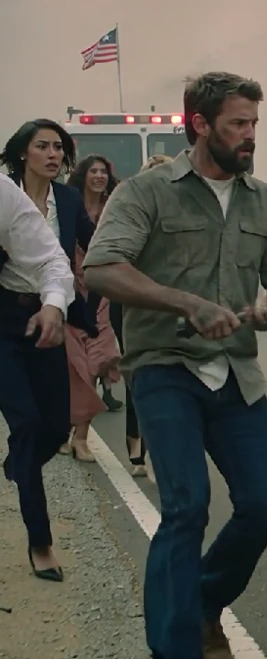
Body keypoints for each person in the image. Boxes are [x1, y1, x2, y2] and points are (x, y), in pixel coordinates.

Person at [82, 71, 267, 659]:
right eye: (238, 124)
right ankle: (174, 646)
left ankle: (203, 601)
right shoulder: (146, 193)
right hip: (164, 368)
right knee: (186, 507)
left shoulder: (265, 200)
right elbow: (100, 268)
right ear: (199, 124)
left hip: (237, 374)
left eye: (254, 123)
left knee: (265, 507)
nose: (251, 135)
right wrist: (188, 304)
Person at [1, 120, 100, 463]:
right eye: (42, 146)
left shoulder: (68, 198)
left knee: (57, 423)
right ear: (23, 153)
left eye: (58, 147)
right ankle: (25, 469)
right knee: (25, 416)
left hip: (53, 311)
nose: (52, 154)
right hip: (6, 310)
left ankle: (23, 462)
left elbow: (94, 245)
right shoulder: (6, 193)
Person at [0, 173, 75, 582]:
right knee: (26, 424)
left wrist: (54, 304)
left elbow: (51, 259)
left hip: (32, 317)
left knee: (56, 428)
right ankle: (40, 542)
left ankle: (20, 463)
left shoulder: (3, 193)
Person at [111, 152, 174, 480]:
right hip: (132, 307)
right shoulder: (130, 214)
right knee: (138, 376)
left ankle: (161, 449)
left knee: (169, 379)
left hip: (173, 309)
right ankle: (136, 445)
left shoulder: (188, 217)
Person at [61, 155, 122, 464]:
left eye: (103, 171)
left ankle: (81, 437)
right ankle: (65, 429)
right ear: (83, 175)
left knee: (98, 361)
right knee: (75, 367)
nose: (99, 176)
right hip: (69, 293)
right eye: (93, 171)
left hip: (103, 294)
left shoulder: (115, 207)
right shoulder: (68, 207)